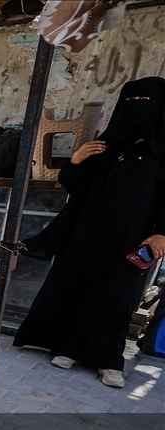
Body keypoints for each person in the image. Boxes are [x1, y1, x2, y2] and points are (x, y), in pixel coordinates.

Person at [14, 77, 165, 388]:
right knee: (76, 286)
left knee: (115, 296)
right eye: (131, 101)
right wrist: (76, 160)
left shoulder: (161, 152)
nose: (136, 108)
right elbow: (74, 184)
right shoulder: (106, 144)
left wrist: (162, 232)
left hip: (128, 236)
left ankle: (108, 359)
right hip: (84, 231)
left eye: (144, 102)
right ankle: (66, 347)